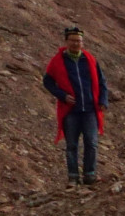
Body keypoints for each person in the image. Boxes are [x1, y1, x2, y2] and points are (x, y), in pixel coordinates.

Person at [42, 26, 109, 186]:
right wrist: (62, 95)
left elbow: (101, 82)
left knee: (91, 143)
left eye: (78, 41)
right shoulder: (57, 61)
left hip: (90, 109)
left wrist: (103, 100)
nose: (75, 44)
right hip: (70, 110)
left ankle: (90, 175)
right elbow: (47, 81)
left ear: (82, 42)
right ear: (66, 41)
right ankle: (73, 177)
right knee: (72, 144)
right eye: (72, 40)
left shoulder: (90, 60)